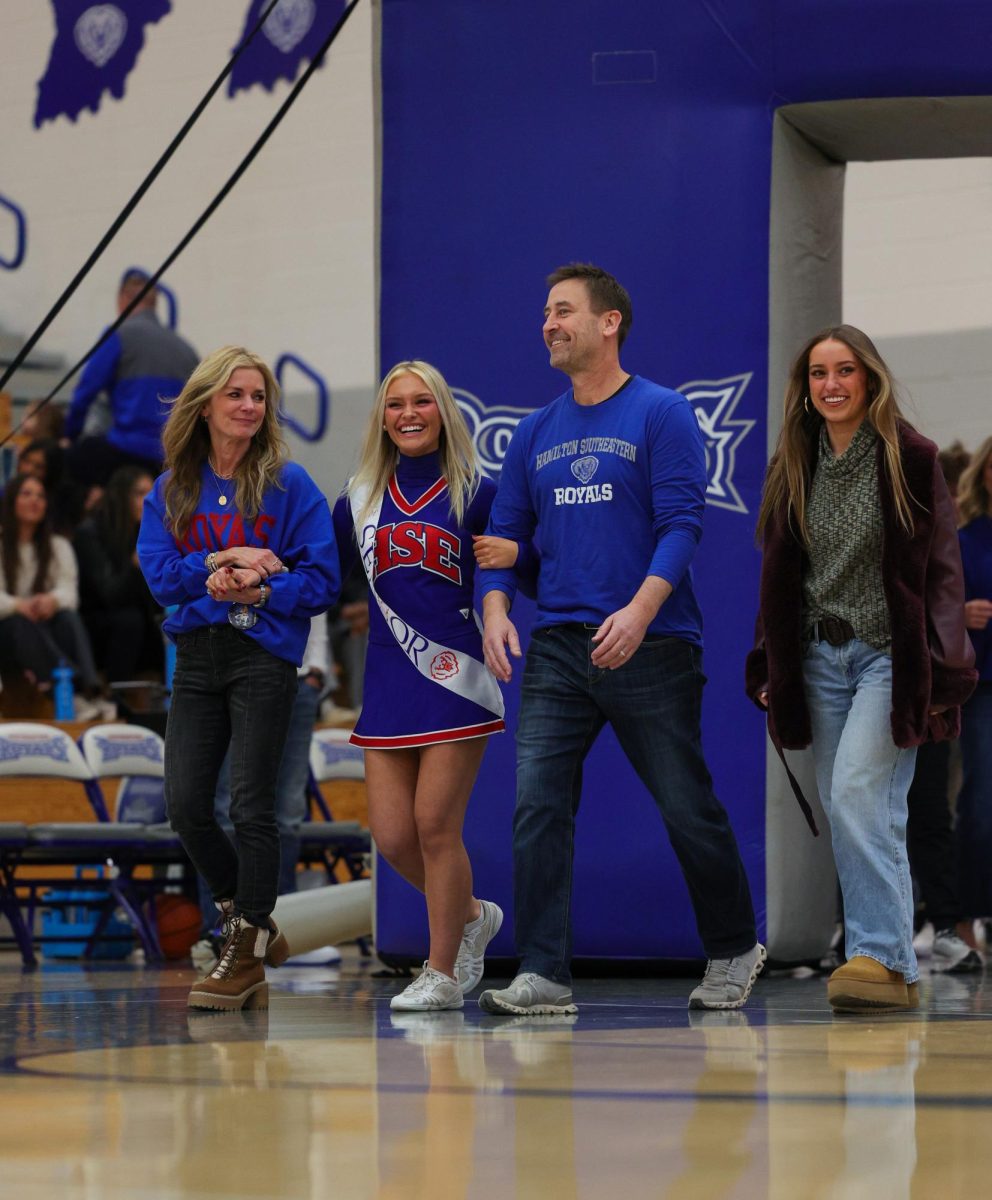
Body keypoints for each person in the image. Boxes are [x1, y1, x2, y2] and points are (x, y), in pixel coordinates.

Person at [478, 263, 763, 1016]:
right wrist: (497, 609)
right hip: (559, 649)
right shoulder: (535, 431)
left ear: (610, 323)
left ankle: (735, 946)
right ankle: (543, 973)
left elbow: (682, 526)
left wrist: (638, 612)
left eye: (564, 311)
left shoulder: (661, 412)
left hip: (655, 643)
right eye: (545, 312)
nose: (549, 323)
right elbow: (503, 537)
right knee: (537, 806)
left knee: (684, 805)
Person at [746, 325, 977, 1013]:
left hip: (889, 658)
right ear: (806, 387)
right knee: (864, 813)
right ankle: (893, 966)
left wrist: (943, 669)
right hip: (816, 658)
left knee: (855, 796)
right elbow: (778, 577)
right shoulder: (792, 459)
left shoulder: (910, 457)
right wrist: (769, 660)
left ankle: (877, 954)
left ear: (869, 379)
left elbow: (940, 571)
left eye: (845, 370)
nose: (832, 385)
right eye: (819, 373)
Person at [137, 346, 339, 1012]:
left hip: (263, 657)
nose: (250, 406)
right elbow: (161, 576)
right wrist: (220, 562)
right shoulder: (173, 488)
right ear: (206, 405)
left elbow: (324, 582)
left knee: (253, 806)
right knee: (189, 805)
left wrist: (260, 587)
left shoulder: (290, 483)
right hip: (197, 655)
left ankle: (244, 950)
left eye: (258, 396)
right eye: (236, 395)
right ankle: (244, 917)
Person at [332, 360, 514, 1012]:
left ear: (442, 411)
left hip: (454, 678)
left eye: (422, 402)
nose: (408, 414)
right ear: (382, 418)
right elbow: (334, 584)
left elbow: (513, 569)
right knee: (393, 836)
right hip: (387, 679)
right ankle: (471, 915)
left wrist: (507, 588)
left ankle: (442, 972)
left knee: (436, 825)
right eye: (396, 404)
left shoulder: (478, 491)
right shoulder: (356, 501)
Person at [64, 270, 198, 488]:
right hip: (170, 460)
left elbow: (85, 391)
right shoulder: (186, 350)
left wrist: (71, 434)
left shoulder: (118, 335)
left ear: (123, 300)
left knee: (70, 459)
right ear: (154, 304)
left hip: (127, 451)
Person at [0, 472, 103, 717]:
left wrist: (52, 600)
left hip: (45, 629)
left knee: (67, 617)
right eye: (26, 494)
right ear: (12, 500)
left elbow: (70, 594)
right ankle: (82, 685)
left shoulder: (59, 545)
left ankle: (75, 689)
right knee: (17, 624)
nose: (35, 500)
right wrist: (19, 605)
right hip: (7, 633)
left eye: (40, 496)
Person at [73, 466, 163, 684]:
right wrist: (135, 564)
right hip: (93, 621)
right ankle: (113, 695)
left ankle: (160, 698)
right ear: (121, 495)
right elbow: (109, 595)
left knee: (164, 623)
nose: (148, 500)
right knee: (130, 620)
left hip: (135, 619)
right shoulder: (91, 532)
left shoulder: (142, 530)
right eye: (140, 493)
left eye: (151, 494)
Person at [954, 434, 992, 933]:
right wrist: (958, 614)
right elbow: (934, 606)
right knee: (981, 802)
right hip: (984, 684)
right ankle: (965, 913)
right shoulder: (965, 541)